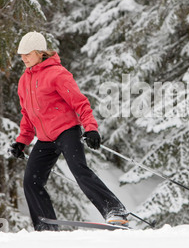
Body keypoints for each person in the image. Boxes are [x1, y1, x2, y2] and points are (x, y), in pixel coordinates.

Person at [9, 31, 128, 231]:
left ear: (40, 53)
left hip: (66, 131)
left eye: (27, 53)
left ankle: (115, 211)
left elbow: (80, 103)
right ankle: (45, 226)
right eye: (21, 54)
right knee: (31, 180)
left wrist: (90, 128)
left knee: (79, 170)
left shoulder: (57, 73)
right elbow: (27, 115)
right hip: (45, 139)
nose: (24, 58)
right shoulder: (24, 81)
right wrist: (22, 141)